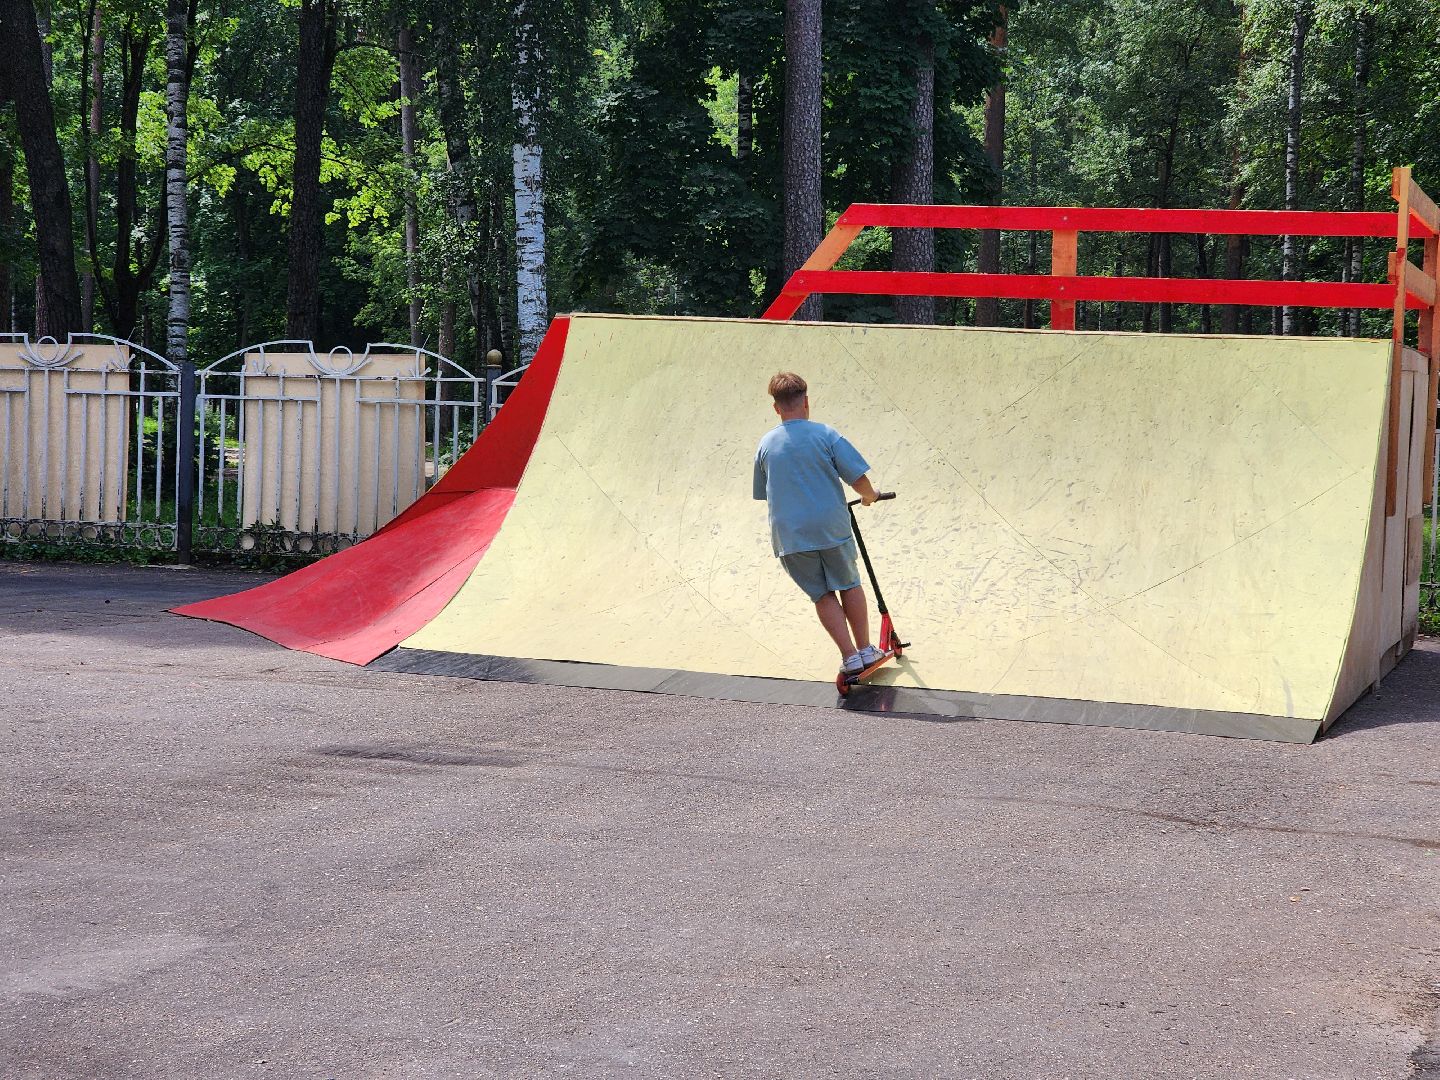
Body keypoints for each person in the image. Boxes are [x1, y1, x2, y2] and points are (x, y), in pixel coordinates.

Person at [753, 371, 883, 678]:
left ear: (776, 408)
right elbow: (859, 481)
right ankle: (865, 649)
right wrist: (870, 497)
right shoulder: (826, 435)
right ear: (806, 403)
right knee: (848, 583)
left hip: (791, 537)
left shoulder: (766, 445)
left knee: (822, 595)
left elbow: (763, 493)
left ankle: (850, 657)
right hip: (830, 528)